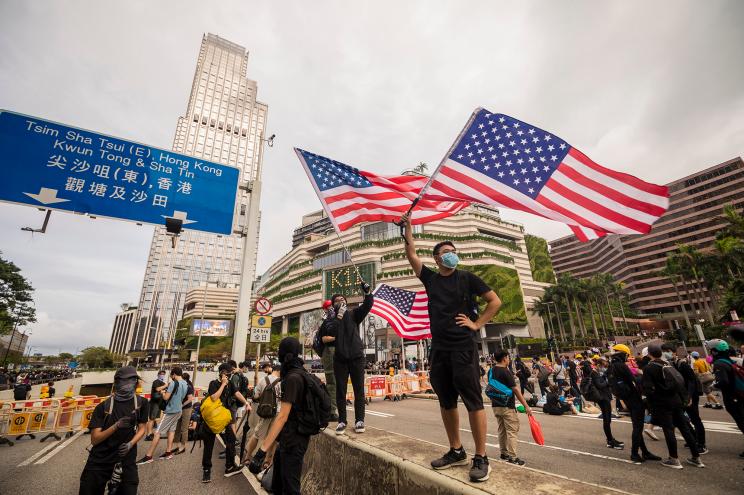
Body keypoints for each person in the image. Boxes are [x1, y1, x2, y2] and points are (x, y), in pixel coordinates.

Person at [401, 213, 502, 483]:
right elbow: (411, 254)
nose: (451, 255)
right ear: (436, 258)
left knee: (473, 401)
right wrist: (408, 229)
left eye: (453, 252)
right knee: (446, 401)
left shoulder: (467, 278)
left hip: (463, 348)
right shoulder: (431, 279)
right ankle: (456, 450)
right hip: (439, 350)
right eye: (446, 252)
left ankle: (481, 457)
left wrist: (476, 323)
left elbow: (495, 301)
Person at [249, 337, 312, 495]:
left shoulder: (292, 378)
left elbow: (282, 416)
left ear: (282, 354)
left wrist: (261, 451)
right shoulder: (300, 373)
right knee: (279, 484)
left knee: (290, 487)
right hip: (290, 438)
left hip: (294, 440)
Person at [79, 366, 149, 495]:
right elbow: (95, 439)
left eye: (133, 380)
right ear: (117, 382)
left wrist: (131, 444)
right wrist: (115, 426)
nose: (130, 384)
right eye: (126, 380)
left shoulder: (141, 403)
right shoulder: (103, 407)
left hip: (126, 459)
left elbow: (142, 428)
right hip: (100, 460)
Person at [642, 344, 704, 469]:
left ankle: (674, 459)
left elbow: (648, 389)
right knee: (685, 429)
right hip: (676, 401)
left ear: (649, 354)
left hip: (662, 403)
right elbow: (680, 383)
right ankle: (696, 457)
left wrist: (650, 402)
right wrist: (685, 399)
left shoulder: (649, 368)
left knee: (669, 430)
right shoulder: (668, 364)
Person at [328, 281, 373, 435]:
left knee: (358, 390)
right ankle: (342, 421)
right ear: (333, 304)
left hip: (356, 357)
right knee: (340, 391)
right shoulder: (330, 319)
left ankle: (360, 421)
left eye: (343, 300)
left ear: (347, 303)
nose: (341, 301)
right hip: (340, 359)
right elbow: (329, 332)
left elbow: (367, 306)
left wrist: (367, 293)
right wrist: (337, 317)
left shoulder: (354, 314)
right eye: (337, 300)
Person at [608, 344, 660, 464]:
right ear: (622, 354)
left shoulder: (612, 367)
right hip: (634, 399)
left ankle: (645, 452)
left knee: (637, 426)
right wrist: (641, 375)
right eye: (626, 354)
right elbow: (633, 382)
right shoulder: (622, 366)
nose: (627, 357)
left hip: (626, 399)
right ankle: (634, 453)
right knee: (638, 427)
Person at [201, 363, 244, 483]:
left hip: (223, 420)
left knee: (231, 441)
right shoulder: (214, 383)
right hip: (211, 420)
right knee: (208, 445)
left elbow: (236, 393)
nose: (229, 376)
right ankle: (206, 470)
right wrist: (223, 384)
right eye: (228, 373)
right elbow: (214, 398)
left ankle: (230, 467)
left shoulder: (230, 384)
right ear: (222, 373)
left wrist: (246, 403)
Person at [488, 350, 533, 465]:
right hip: (507, 406)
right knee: (512, 431)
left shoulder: (491, 371)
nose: (509, 359)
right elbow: (516, 390)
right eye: (508, 357)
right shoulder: (505, 372)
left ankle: (503, 453)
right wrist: (526, 406)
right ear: (504, 358)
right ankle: (512, 457)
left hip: (495, 405)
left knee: (501, 430)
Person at [137, 366, 188, 463]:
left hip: (170, 411)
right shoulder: (185, 383)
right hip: (178, 410)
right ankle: (168, 452)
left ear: (174, 374)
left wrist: (162, 393)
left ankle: (149, 456)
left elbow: (165, 398)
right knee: (171, 430)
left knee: (157, 433)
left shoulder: (173, 383)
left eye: (171, 375)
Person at [667, 344, 707, 454]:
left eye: (668, 351)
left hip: (690, 396)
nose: (666, 354)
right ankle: (693, 437)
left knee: (695, 419)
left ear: (674, 352)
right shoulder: (670, 365)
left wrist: (689, 397)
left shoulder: (682, 364)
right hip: (680, 396)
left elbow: (691, 380)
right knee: (681, 419)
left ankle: (701, 444)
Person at [709, 340, 744, 457]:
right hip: (739, 394)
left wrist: (714, 385)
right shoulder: (730, 360)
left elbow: (723, 381)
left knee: (741, 421)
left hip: (732, 397)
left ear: (714, 351)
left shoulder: (719, 363)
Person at [243, 362, 281, 466]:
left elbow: (255, 395)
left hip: (265, 412)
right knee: (273, 438)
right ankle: (266, 462)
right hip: (278, 413)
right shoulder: (284, 382)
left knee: (256, 435)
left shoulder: (263, 380)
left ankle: (247, 457)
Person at [582, 357, 624, 450]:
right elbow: (600, 385)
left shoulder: (594, 373)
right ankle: (610, 441)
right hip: (603, 398)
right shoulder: (594, 373)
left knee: (607, 419)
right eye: (603, 366)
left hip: (603, 397)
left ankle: (610, 439)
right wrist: (608, 381)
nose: (604, 367)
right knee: (607, 419)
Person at [318, 300, 339, 422]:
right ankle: (331, 411)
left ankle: (332, 409)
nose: (331, 308)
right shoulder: (327, 321)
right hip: (330, 352)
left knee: (336, 382)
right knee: (332, 382)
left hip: (336, 351)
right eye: (329, 307)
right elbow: (324, 339)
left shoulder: (334, 319)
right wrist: (339, 337)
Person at [173, 371, 195, 455]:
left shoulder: (188, 386)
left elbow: (190, 399)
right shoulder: (180, 386)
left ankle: (183, 446)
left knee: (184, 428)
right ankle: (177, 445)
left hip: (186, 409)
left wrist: (181, 405)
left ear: (185, 379)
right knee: (177, 427)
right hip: (179, 409)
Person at [145, 370, 167, 440]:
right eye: (161, 374)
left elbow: (164, 391)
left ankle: (152, 433)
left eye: (163, 374)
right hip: (154, 403)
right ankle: (148, 434)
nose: (162, 375)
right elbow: (157, 389)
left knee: (155, 419)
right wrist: (165, 386)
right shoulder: (156, 382)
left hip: (159, 403)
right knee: (151, 419)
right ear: (158, 374)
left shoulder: (163, 382)